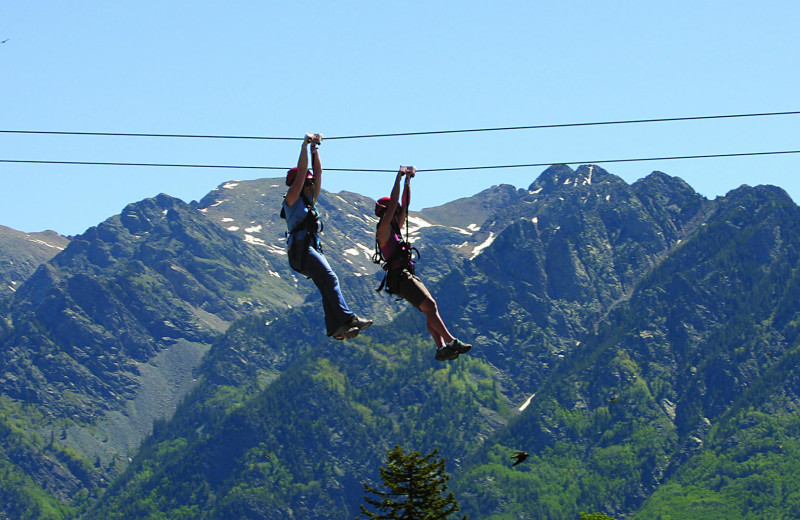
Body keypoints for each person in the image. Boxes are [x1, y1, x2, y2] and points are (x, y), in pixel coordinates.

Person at [374, 166, 472, 361]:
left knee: (429, 309)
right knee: (430, 305)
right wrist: (398, 177)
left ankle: (442, 348)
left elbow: (404, 205)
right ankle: (450, 342)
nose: (399, 214)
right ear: (386, 213)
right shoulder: (384, 228)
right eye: (394, 212)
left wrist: (408, 182)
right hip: (400, 277)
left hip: (404, 276)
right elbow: (395, 203)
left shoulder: (394, 227)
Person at [283, 133, 372, 339]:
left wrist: (315, 149)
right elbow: (304, 171)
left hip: (309, 249)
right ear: (299, 183)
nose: (311, 185)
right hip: (301, 250)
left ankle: (336, 328)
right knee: (330, 278)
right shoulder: (292, 200)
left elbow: (318, 173)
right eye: (307, 183)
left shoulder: (309, 201)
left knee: (326, 284)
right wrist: (304, 146)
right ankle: (348, 318)